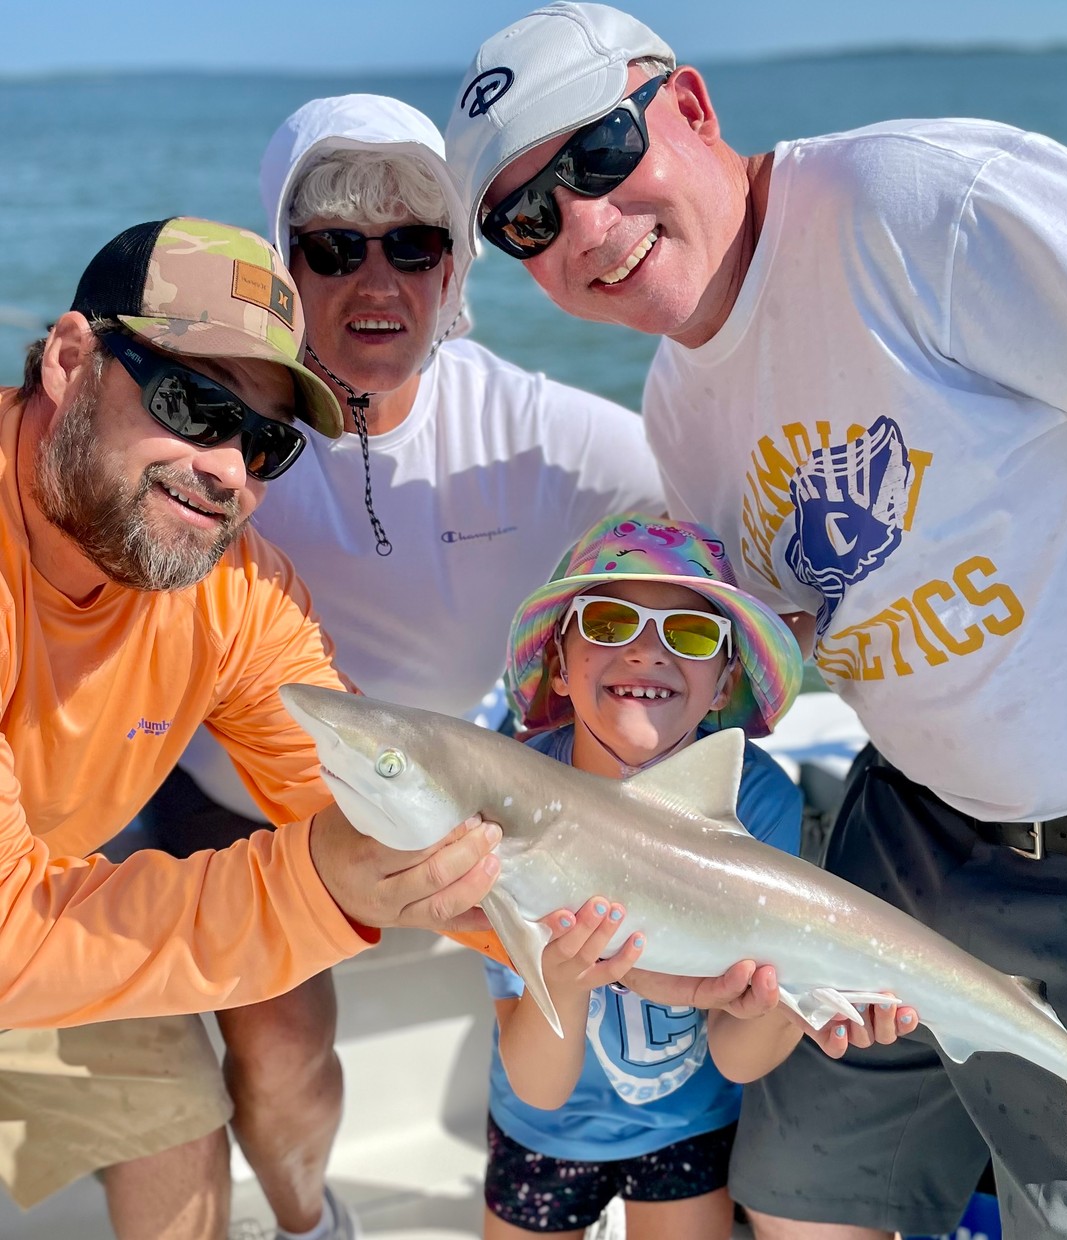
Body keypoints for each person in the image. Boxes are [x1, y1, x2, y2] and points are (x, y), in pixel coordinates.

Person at [444, 6, 1067, 1240]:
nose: (586, 224)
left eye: (597, 154)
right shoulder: (678, 415)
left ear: (691, 108)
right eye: (527, 219)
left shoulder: (915, 208)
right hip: (905, 847)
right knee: (794, 1200)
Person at [129, 95, 667, 1240]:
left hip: (448, 790)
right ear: (284, 261)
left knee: (602, 983)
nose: (377, 282)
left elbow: (715, 552)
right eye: (332, 248)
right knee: (277, 1052)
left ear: (456, 264)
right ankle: (310, 1221)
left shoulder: (545, 436)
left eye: (413, 245)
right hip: (233, 800)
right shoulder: (228, 424)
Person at [0, 216, 501, 1238]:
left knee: (180, 1116)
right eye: (192, 403)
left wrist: (626, 937)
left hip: (39, 905)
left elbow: (366, 804)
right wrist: (314, 882)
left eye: (263, 440)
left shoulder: (237, 593)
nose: (226, 467)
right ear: (68, 359)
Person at [487, 512, 914, 1239]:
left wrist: (792, 999)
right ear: (560, 661)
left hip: (693, 1123)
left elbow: (735, 1054)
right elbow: (541, 1085)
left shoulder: (759, 801)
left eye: (688, 635)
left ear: (723, 684)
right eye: (611, 621)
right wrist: (559, 979)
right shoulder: (511, 791)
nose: (646, 652)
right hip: (542, 1128)